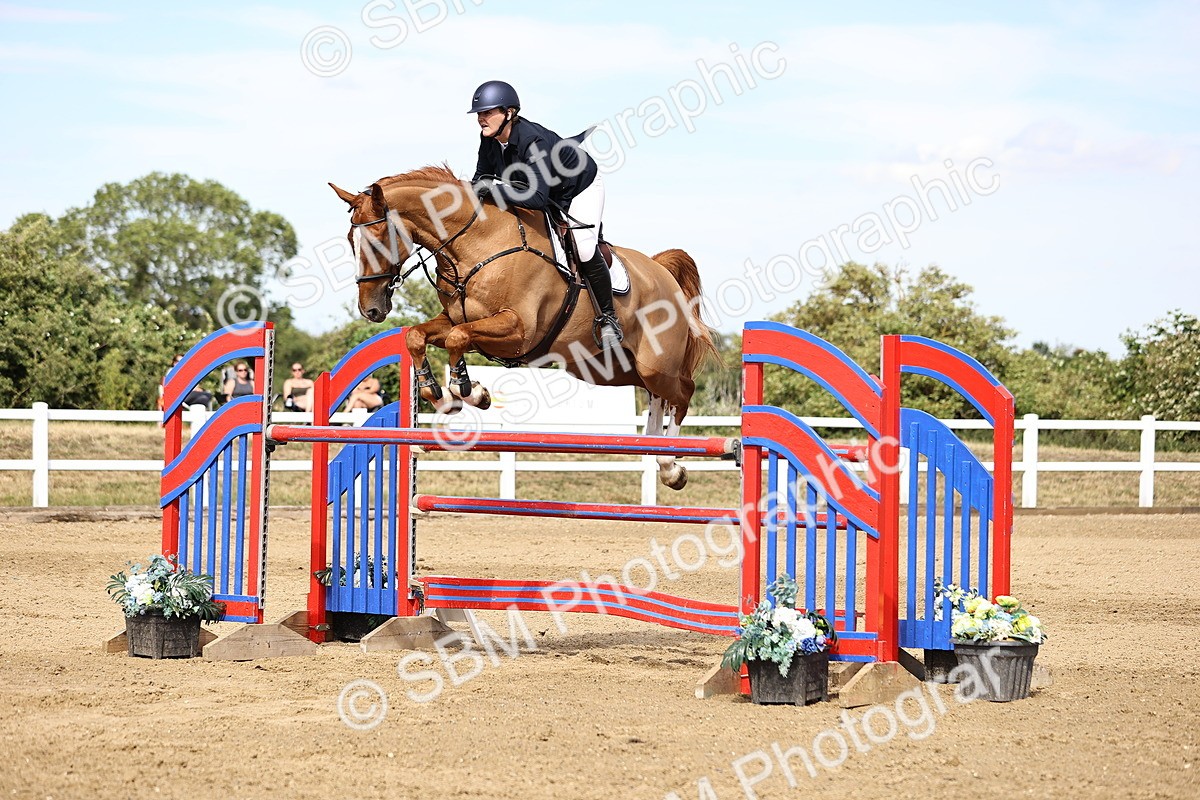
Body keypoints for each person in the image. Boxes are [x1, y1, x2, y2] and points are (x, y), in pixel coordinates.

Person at [468, 79, 622, 351]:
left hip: (579, 187)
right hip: (544, 191)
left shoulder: (532, 141)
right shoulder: (489, 140)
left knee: (584, 248)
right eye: (480, 113)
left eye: (488, 112)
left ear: (509, 113)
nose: (481, 118)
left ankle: (608, 318)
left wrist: (491, 188)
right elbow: (480, 179)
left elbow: (537, 199)